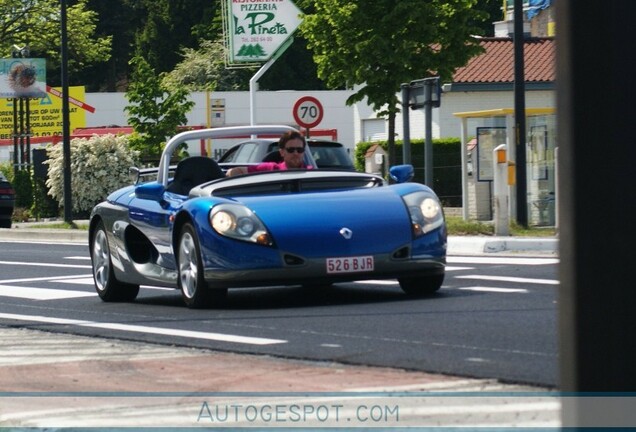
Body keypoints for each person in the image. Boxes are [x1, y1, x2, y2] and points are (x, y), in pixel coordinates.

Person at [226, 131, 312, 176]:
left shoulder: (312, 173)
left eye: (299, 150)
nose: (296, 153)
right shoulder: (270, 169)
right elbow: (235, 172)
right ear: (282, 152)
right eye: (291, 150)